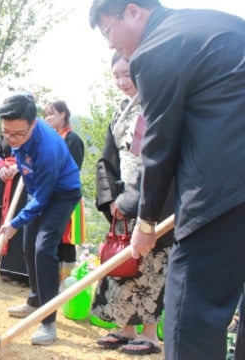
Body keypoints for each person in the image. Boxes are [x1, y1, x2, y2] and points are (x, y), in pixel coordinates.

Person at [89, 1, 245, 359]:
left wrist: (145, 220)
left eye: (107, 31)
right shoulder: (217, 24)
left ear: (132, 11)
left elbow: (159, 145)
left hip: (222, 191)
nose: (111, 44)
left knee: (191, 311)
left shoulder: (157, 49)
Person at [92, 53, 173, 356]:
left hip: (156, 196)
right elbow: (106, 159)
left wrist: (138, 199)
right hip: (123, 197)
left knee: (150, 265)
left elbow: (160, 158)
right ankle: (125, 326)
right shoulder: (120, 111)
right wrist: (111, 199)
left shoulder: (158, 106)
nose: (122, 82)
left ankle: (150, 334)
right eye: (116, 76)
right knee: (121, 261)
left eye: (127, 74)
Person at [0, 94, 81, 346]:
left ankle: (48, 321)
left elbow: (43, 200)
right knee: (27, 246)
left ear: (33, 125)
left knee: (44, 248)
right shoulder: (18, 131)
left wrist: (13, 223)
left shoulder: (47, 148)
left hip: (62, 194)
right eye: (6, 133)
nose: (11, 139)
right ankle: (34, 300)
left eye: (17, 135)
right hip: (38, 191)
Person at [44, 100, 85, 284]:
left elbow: (73, 169)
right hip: (51, 196)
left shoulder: (73, 139)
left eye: (52, 113)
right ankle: (53, 282)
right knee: (54, 238)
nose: (48, 118)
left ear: (63, 114)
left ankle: (66, 284)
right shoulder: (51, 138)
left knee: (66, 239)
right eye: (46, 114)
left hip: (68, 196)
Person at [0, 135, 29, 286]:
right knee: (3, 223)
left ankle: (22, 274)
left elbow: (35, 157)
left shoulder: (31, 134)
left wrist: (20, 166)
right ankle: (5, 269)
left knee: (19, 227)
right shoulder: (5, 135)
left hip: (24, 185)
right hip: (6, 181)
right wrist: (1, 167)